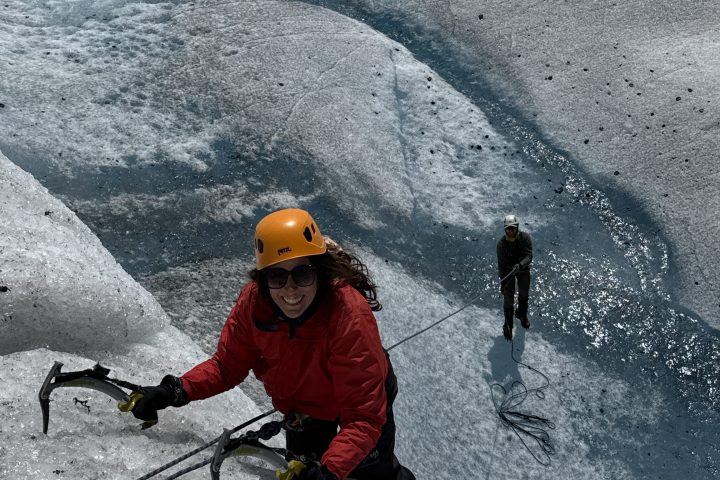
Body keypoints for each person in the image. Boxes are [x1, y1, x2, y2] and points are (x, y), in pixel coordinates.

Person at [130, 208, 416, 480]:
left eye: (302, 273)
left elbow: (363, 418)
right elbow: (228, 366)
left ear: (319, 271)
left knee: (373, 472)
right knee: (304, 468)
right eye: (277, 276)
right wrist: (175, 390)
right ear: (263, 280)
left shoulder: (348, 314)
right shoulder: (255, 305)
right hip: (306, 407)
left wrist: (330, 471)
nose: (290, 288)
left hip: (361, 398)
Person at [496, 214, 533, 340]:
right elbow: (501, 265)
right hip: (508, 273)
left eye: (513, 228)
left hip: (523, 270)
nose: (510, 231)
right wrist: (503, 283)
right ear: (504, 229)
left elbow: (528, 256)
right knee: (508, 299)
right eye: (508, 228)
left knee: (523, 294)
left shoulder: (525, 238)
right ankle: (508, 325)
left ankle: (521, 314)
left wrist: (520, 265)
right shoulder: (501, 245)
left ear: (517, 227)